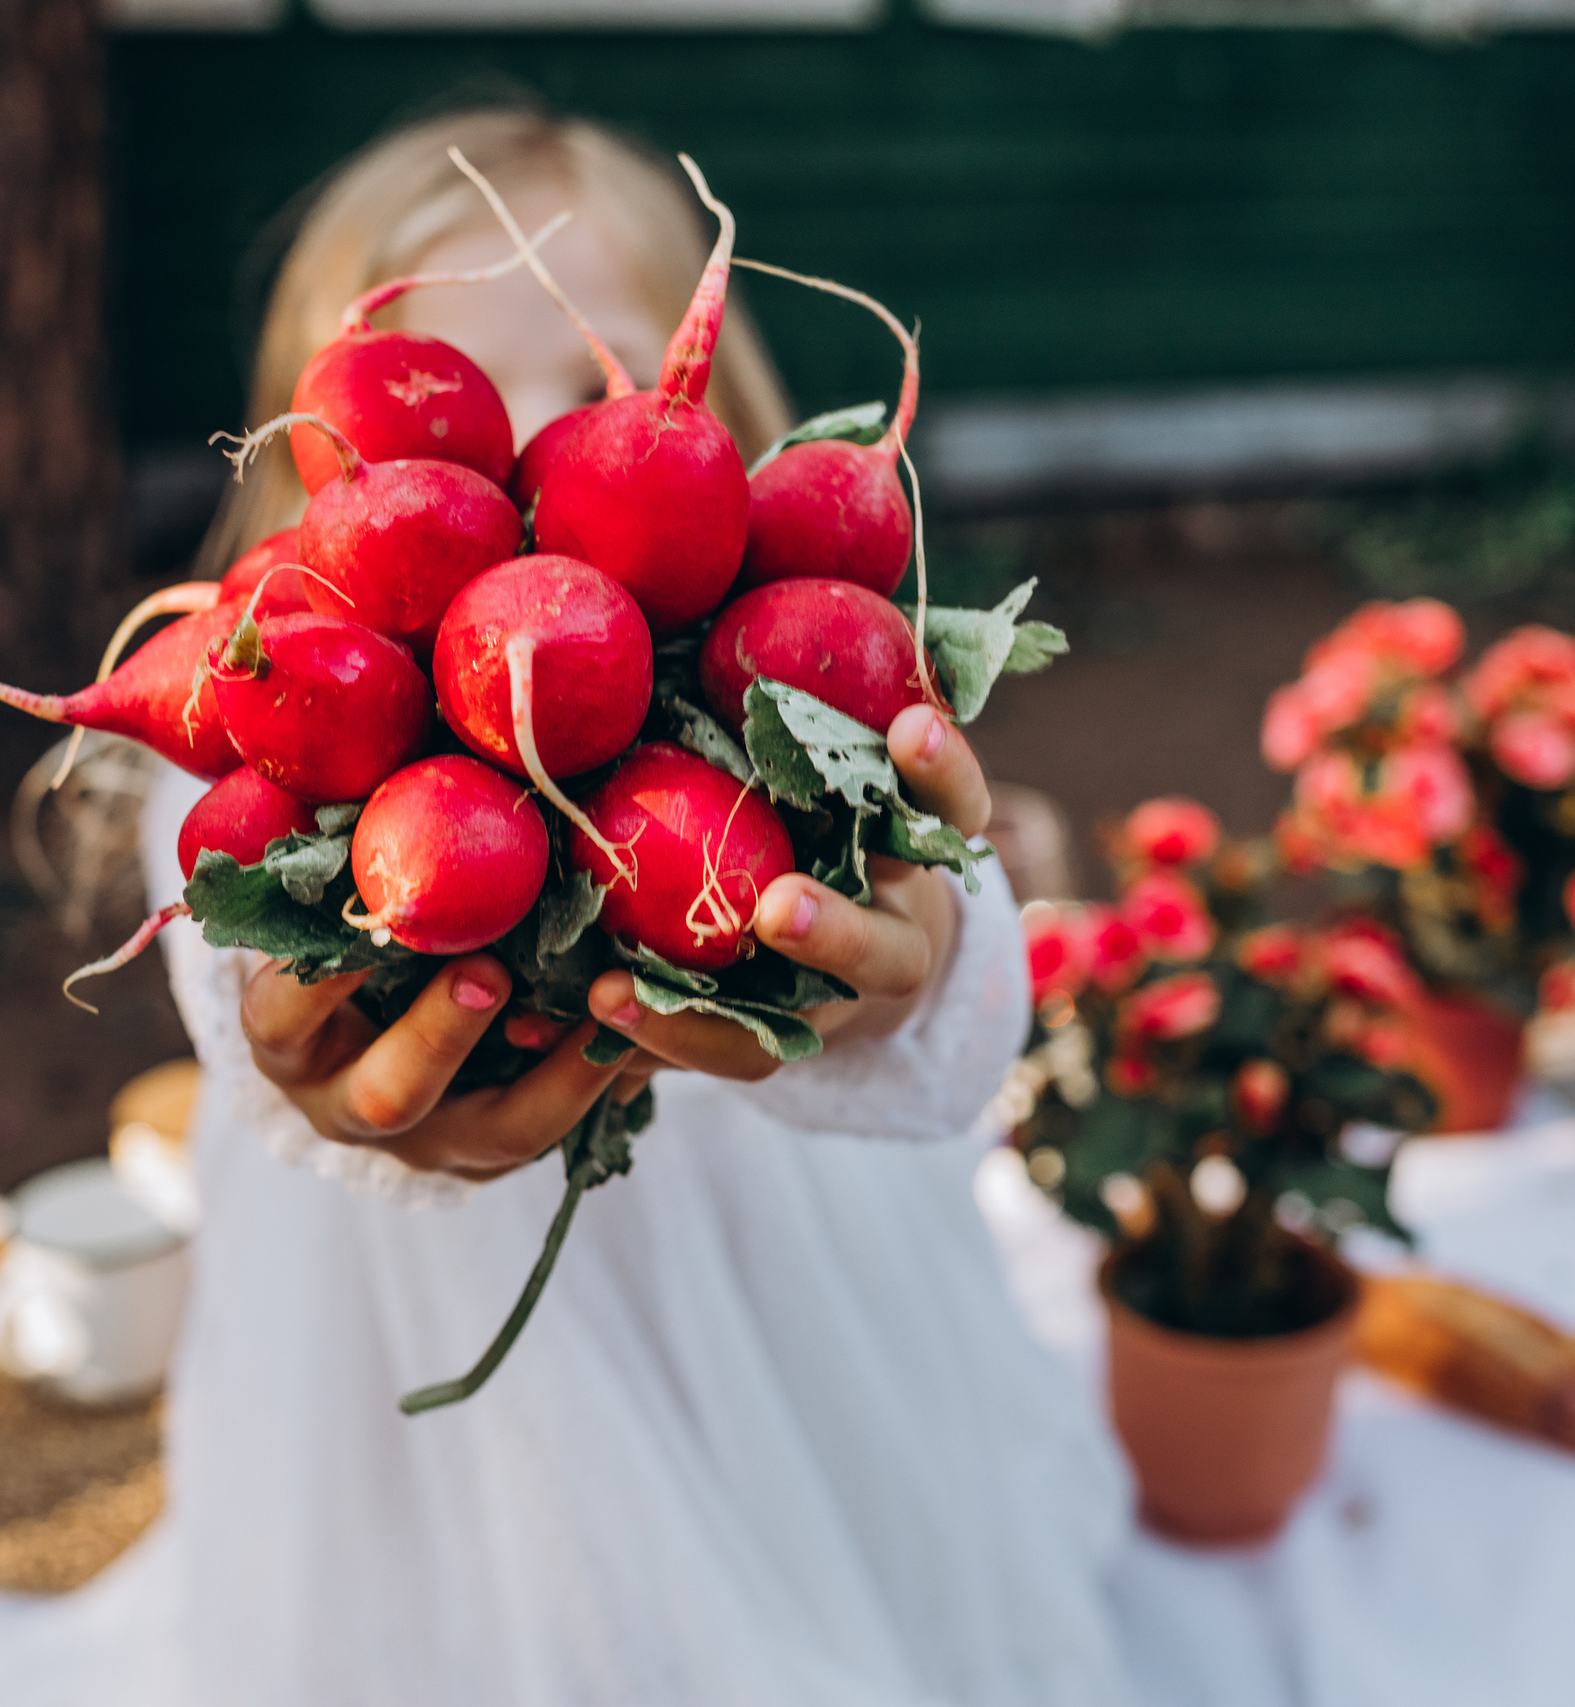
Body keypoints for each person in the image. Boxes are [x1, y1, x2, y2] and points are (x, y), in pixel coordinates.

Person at [143, 106, 1135, 1705]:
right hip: (396, 1351)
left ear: (715, 411)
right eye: (458, 391)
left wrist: (919, 966)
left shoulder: (794, 703)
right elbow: (213, 934)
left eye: (584, 371)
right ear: (308, 466)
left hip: (792, 1324)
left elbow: (923, 963)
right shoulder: (237, 736)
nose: (534, 448)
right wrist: (319, 1092)